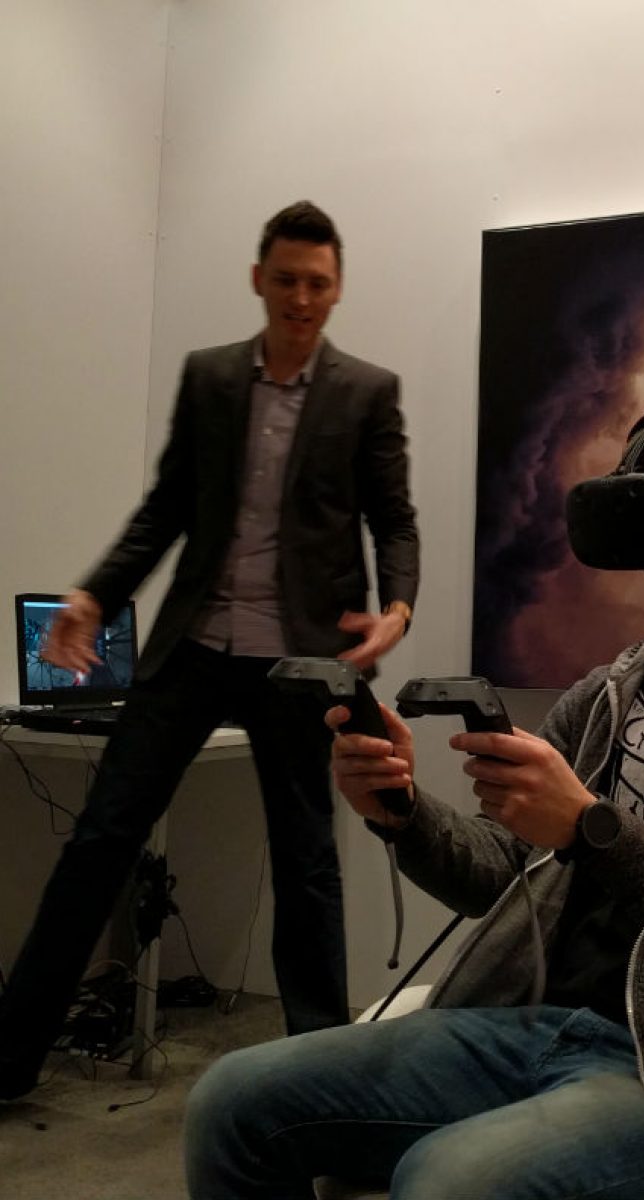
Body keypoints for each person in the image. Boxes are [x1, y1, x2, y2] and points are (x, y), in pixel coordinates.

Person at [183, 398, 644, 1199]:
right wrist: (404, 811)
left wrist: (593, 829)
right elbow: (504, 878)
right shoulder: (609, 691)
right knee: (232, 1102)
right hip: (529, 1028)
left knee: (447, 1182)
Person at [0, 201, 419, 1102]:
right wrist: (94, 595)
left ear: (337, 288)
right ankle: (8, 1060)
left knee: (306, 863)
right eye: (286, 280)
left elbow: (395, 519)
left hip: (299, 663)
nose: (300, 298)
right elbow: (164, 512)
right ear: (258, 279)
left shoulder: (366, 392)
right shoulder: (211, 378)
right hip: (192, 648)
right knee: (99, 840)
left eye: (317, 284)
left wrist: (397, 608)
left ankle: (321, 1080)